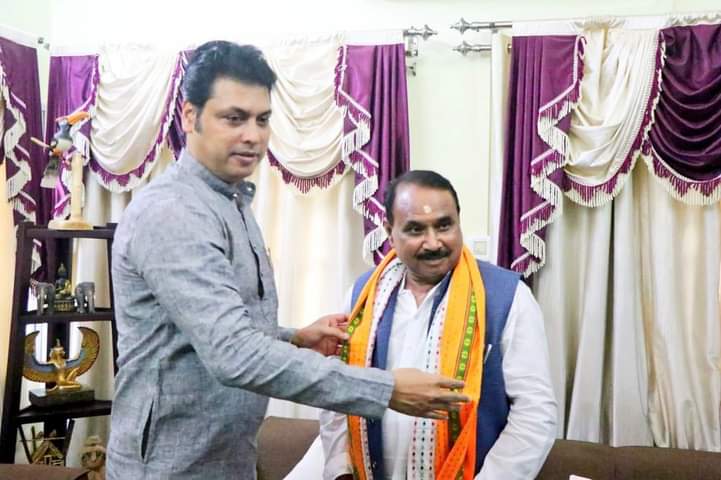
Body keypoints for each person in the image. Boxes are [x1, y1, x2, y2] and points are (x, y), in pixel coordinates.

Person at [106, 41, 468, 479]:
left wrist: (294, 338)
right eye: (234, 118)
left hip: (226, 459)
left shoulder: (229, 201)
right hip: (168, 467)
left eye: (262, 120)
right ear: (189, 116)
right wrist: (386, 389)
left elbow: (204, 326)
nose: (253, 135)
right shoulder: (173, 212)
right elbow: (233, 353)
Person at [320, 170, 557, 479]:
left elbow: (534, 413)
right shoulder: (361, 295)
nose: (433, 243)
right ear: (390, 232)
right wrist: (340, 468)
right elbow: (339, 391)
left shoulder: (507, 297)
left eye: (444, 225)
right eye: (415, 229)